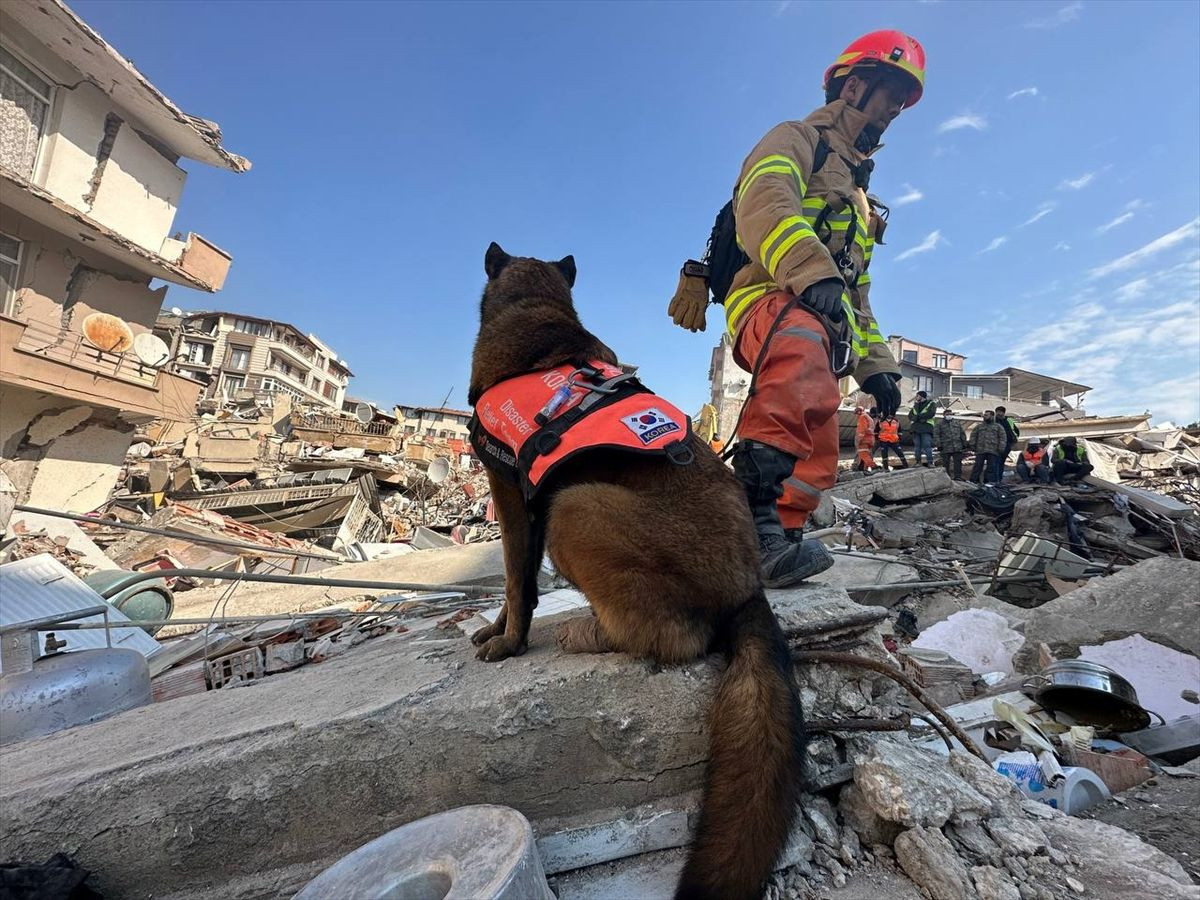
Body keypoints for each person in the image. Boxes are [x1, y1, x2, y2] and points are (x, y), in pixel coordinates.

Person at [666, 31, 926, 586]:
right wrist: (811, 273)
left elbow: (858, 294)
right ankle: (746, 527)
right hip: (768, 298)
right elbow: (766, 204)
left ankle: (779, 538)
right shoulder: (797, 138)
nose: (894, 112)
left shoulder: (859, 198)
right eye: (889, 97)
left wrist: (877, 368)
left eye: (903, 105)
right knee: (801, 353)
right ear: (854, 85)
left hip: (822, 316)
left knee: (820, 426)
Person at [969, 410, 1007, 484]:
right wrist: (972, 445)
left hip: (993, 450)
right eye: (984, 415)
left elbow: (1003, 438)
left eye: (987, 415)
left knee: (991, 468)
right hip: (980, 450)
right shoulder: (979, 426)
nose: (984, 417)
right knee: (977, 466)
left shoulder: (998, 427)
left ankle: (989, 482)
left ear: (992, 416)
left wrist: (1001, 448)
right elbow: (973, 436)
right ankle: (974, 481)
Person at [935, 409, 967, 479]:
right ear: (944, 415)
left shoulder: (957, 423)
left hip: (957, 446)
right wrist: (938, 445)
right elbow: (936, 435)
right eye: (947, 414)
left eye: (950, 414)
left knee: (958, 463)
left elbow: (962, 433)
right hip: (945, 447)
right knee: (945, 463)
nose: (949, 415)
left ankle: (958, 477)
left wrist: (964, 443)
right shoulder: (939, 424)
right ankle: (946, 477)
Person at [909, 390, 937, 467]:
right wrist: (919, 417)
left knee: (927, 445)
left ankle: (930, 462)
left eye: (917, 396)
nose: (916, 398)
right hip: (916, 428)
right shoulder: (915, 405)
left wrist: (917, 417)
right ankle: (918, 462)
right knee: (917, 446)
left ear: (921, 396)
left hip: (926, 428)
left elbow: (931, 414)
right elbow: (910, 416)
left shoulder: (931, 404)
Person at [995, 406, 1020, 481]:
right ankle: (996, 479)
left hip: (1007, 444)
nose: (998, 414)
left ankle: (999, 478)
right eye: (997, 412)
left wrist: (1014, 441)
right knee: (997, 461)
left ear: (1003, 413)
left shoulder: (1009, 420)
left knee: (1001, 462)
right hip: (998, 444)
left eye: (1000, 412)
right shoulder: (994, 420)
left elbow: (1016, 431)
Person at [854, 405, 877, 471]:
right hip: (870, 439)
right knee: (865, 454)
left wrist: (859, 440)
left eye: (856, 413)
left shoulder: (862, 417)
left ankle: (874, 467)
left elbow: (862, 430)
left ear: (858, 412)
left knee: (863, 454)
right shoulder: (869, 418)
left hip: (864, 439)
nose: (856, 415)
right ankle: (862, 468)